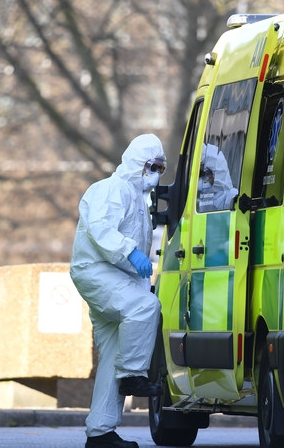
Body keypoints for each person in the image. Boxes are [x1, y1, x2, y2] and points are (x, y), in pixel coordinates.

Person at [70, 134, 166, 448]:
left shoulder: (139, 199)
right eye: (150, 165)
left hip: (115, 278)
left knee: (113, 354)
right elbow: (100, 228)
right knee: (146, 307)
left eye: (159, 167)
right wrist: (131, 252)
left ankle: (100, 433)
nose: (154, 172)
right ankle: (132, 374)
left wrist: (138, 273)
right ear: (136, 162)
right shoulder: (112, 189)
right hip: (97, 271)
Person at [197, 143, 238, 212]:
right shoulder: (206, 195)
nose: (205, 178)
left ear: (218, 173)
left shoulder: (230, 196)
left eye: (207, 173)